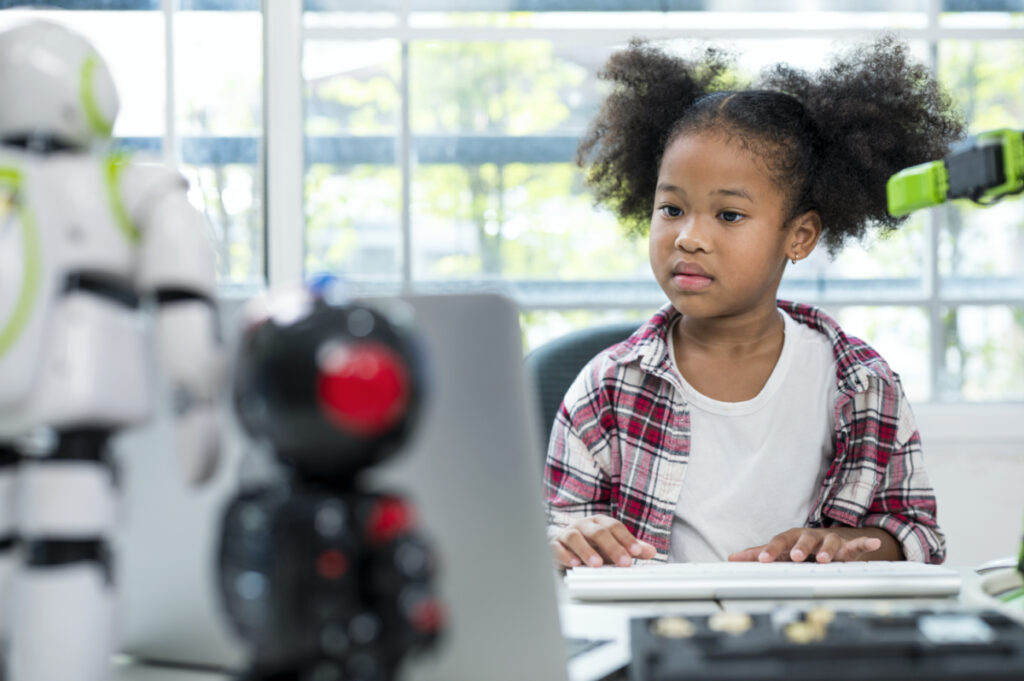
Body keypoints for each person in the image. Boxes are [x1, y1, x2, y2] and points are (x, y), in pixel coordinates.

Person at [545, 35, 964, 569]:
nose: (688, 237)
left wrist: (853, 546)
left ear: (801, 235)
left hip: (806, 644)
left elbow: (918, 536)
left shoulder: (863, 385)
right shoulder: (606, 388)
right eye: (671, 208)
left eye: (729, 215)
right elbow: (553, 540)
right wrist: (571, 539)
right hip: (658, 640)